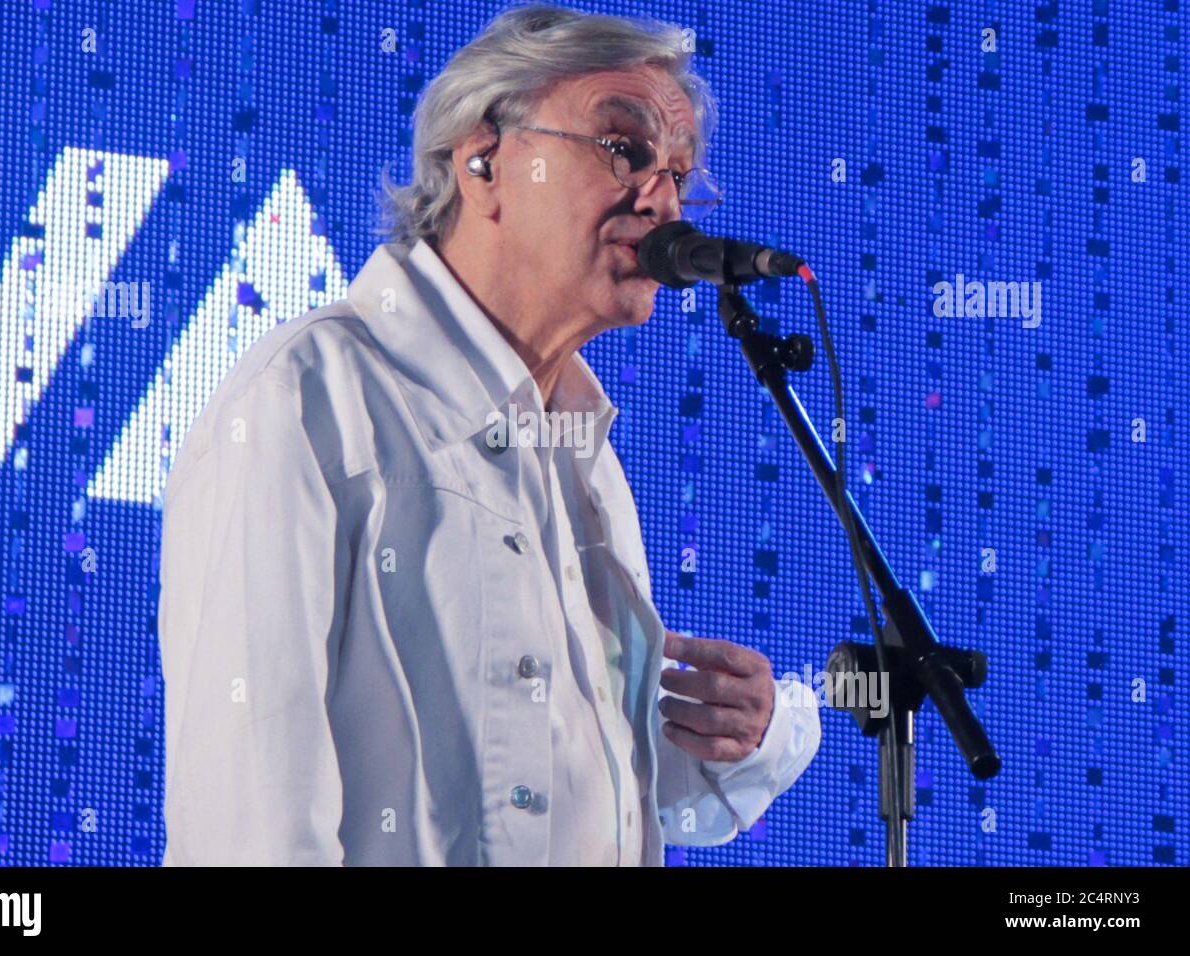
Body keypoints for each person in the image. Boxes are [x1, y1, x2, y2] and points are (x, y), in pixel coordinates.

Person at [159, 2, 820, 866]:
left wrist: (741, 738)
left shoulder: (584, 455)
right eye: (625, 147)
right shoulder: (309, 399)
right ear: (481, 161)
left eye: (680, 173)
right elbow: (249, 820)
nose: (662, 199)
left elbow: (581, 792)